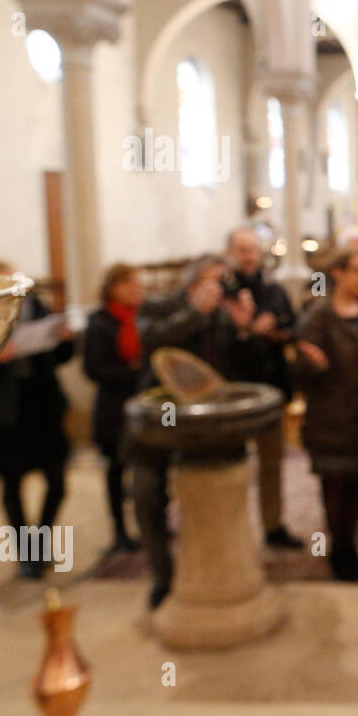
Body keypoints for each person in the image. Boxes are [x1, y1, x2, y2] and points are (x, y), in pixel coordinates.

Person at [129, 254, 262, 608]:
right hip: (161, 414)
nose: (223, 288)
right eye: (217, 280)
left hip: (208, 421)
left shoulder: (222, 312)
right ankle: (162, 575)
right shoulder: (160, 305)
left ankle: (218, 566)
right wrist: (193, 312)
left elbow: (238, 368)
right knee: (147, 491)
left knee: (214, 487)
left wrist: (243, 328)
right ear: (196, 280)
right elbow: (152, 343)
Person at [0, 261, 73, 578]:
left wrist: (65, 339)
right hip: (4, 414)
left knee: (57, 483)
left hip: (40, 408)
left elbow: (58, 356)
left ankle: (39, 544)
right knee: (12, 486)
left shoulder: (36, 307)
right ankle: (27, 555)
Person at [294, 250, 358, 581]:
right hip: (331, 418)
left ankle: (351, 551)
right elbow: (299, 372)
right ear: (338, 273)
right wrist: (310, 364)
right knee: (336, 491)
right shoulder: (319, 316)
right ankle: (338, 557)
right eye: (357, 270)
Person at [224, 226, 300, 550]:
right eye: (242, 250)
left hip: (270, 386)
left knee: (271, 462)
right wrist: (242, 328)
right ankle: (233, 527)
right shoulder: (220, 292)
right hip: (233, 389)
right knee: (233, 465)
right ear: (230, 253)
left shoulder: (273, 289)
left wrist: (270, 330)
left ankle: (273, 526)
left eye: (253, 250)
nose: (249, 256)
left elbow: (292, 327)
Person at [83, 263, 145, 554]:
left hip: (143, 404)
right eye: (130, 284)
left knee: (147, 467)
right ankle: (119, 530)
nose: (137, 289)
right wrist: (135, 372)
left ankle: (150, 522)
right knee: (116, 469)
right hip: (113, 408)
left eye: (138, 284)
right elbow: (94, 369)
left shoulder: (143, 318)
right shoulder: (99, 323)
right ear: (114, 288)